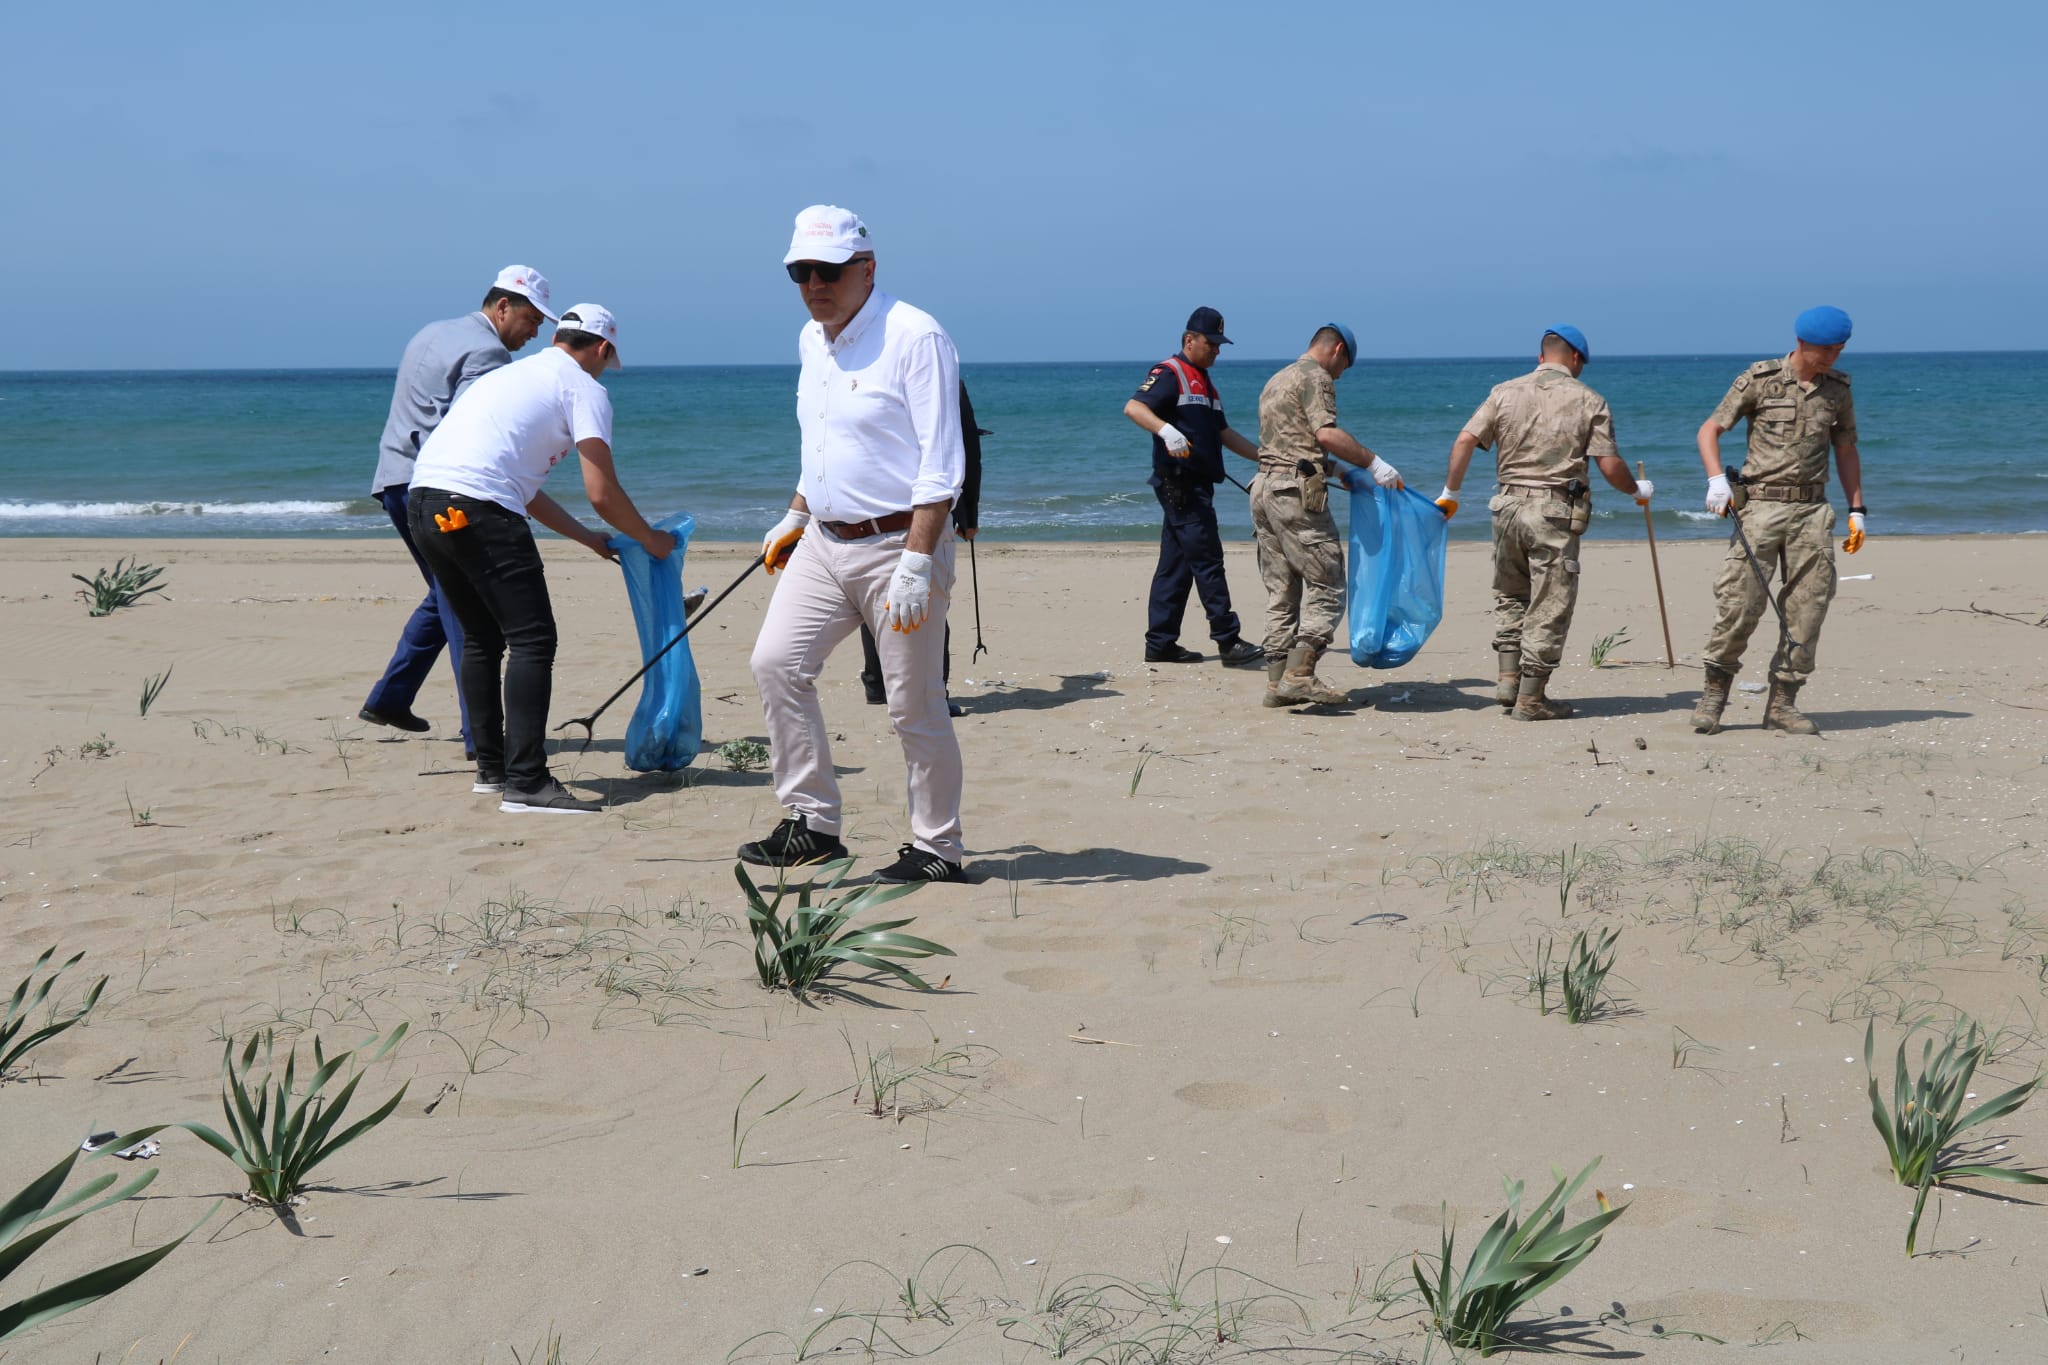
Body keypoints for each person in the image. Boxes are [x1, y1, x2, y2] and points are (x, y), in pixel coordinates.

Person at [744, 205, 969, 884]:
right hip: (822, 541)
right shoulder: (812, 339)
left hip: (899, 544)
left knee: (912, 702)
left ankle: (938, 847)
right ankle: (812, 824)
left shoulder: (915, 336)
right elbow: (826, 443)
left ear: (866, 268)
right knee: (775, 662)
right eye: (800, 272)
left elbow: (941, 464)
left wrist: (916, 560)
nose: (814, 284)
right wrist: (794, 513)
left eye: (828, 270)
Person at [408, 305, 675, 814]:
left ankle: (493, 769)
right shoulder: (584, 387)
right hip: (477, 508)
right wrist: (650, 538)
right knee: (533, 639)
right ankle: (527, 782)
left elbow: (525, 492)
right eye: (606, 360)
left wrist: (589, 541)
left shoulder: (512, 375)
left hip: (426, 503)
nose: (603, 371)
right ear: (600, 348)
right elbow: (602, 491)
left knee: (483, 638)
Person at [360, 266, 557, 740]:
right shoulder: (487, 352)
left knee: (447, 591)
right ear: (503, 305)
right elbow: (472, 426)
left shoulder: (432, 331)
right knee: (470, 605)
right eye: (531, 320)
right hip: (435, 486)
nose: (535, 333)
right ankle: (478, 733)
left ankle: (391, 697)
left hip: (394, 478)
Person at [1437, 326, 1650, 721]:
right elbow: (1607, 464)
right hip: (1552, 512)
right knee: (1549, 604)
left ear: (1541, 357)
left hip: (1506, 506)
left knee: (1511, 594)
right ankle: (1531, 698)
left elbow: (1465, 441)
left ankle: (1507, 681)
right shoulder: (1590, 400)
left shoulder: (1504, 392)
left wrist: (1451, 493)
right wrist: (1637, 490)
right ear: (1575, 359)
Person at [1690, 306, 1864, 737]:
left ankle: (1783, 704)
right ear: (1802, 342)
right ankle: (1714, 696)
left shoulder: (1838, 390)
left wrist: (1857, 509)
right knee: (1740, 605)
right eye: (1826, 349)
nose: (1833, 357)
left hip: (1812, 511)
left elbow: (1845, 448)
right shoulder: (1761, 379)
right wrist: (1716, 482)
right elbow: (1710, 429)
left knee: (1809, 608)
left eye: (1839, 349)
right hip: (1761, 509)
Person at [1250, 324, 1401, 707]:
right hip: (1294, 496)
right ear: (1336, 350)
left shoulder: (1277, 379)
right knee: (1328, 583)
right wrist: (1373, 463)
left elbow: (1288, 444)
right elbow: (1324, 435)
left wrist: (1336, 471)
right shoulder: (1316, 378)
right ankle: (1300, 674)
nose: (1341, 374)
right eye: (1344, 366)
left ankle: (1275, 682)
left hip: (1264, 489)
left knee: (1281, 590)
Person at [1122, 308, 1263, 666]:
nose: (1216, 350)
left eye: (1220, 345)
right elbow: (1134, 408)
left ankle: (1160, 643)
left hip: (1199, 484)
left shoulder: (1205, 382)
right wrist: (1166, 431)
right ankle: (1228, 641)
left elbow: (1224, 433)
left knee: (1177, 565)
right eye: (1211, 343)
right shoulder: (1169, 373)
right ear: (1189, 340)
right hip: (1180, 485)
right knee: (1208, 561)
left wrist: (1265, 458)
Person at [859, 380, 985, 716]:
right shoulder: (941, 375)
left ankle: (877, 684)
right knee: (928, 602)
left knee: (874, 595)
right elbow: (966, 444)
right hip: (922, 510)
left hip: (866, 506)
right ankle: (932, 693)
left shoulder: (864, 373)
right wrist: (968, 511)